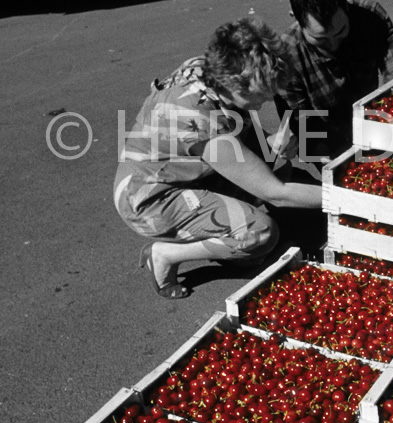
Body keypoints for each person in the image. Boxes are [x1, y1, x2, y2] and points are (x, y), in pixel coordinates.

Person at [114, 17, 322, 299]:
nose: (263, 103)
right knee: (260, 234)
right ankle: (166, 254)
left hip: (183, 171)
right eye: (259, 95)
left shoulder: (208, 72)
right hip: (152, 198)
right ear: (235, 83)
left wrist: (272, 143)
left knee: (278, 165)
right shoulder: (201, 121)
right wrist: (347, 198)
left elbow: (241, 135)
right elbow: (276, 194)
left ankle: (227, 234)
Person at [275, 0, 393, 163]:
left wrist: (391, 118)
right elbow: (302, 123)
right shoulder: (286, 57)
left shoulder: (370, 16)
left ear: (347, 9)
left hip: (375, 121)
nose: (333, 44)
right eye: (320, 39)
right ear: (296, 20)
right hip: (329, 136)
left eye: (341, 32)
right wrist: (331, 159)